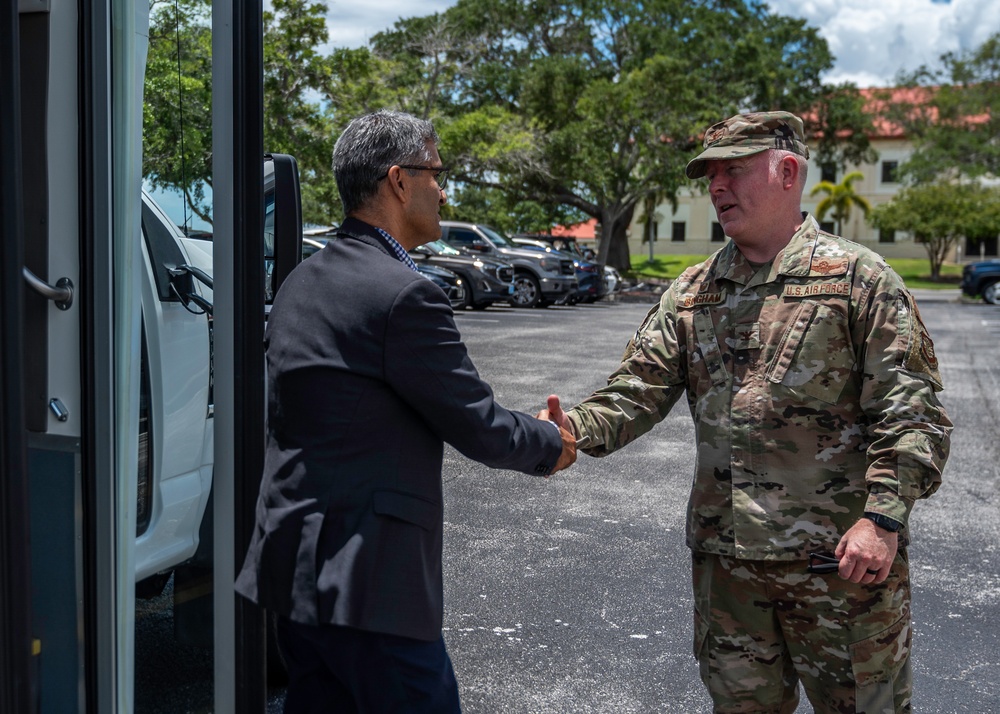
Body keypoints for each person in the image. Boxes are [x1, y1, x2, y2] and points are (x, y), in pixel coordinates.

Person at [541, 111, 952, 713]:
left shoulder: (859, 281)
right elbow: (636, 391)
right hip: (730, 576)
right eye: (710, 174)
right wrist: (569, 432)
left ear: (787, 172)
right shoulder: (692, 292)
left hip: (841, 568)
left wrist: (882, 520)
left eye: (733, 170)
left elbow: (913, 413)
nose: (716, 187)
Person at [236, 109, 576, 713]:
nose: (443, 191)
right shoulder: (404, 294)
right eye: (436, 174)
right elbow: (478, 423)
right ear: (398, 180)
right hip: (371, 588)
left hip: (296, 578)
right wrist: (551, 443)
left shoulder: (301, 282)